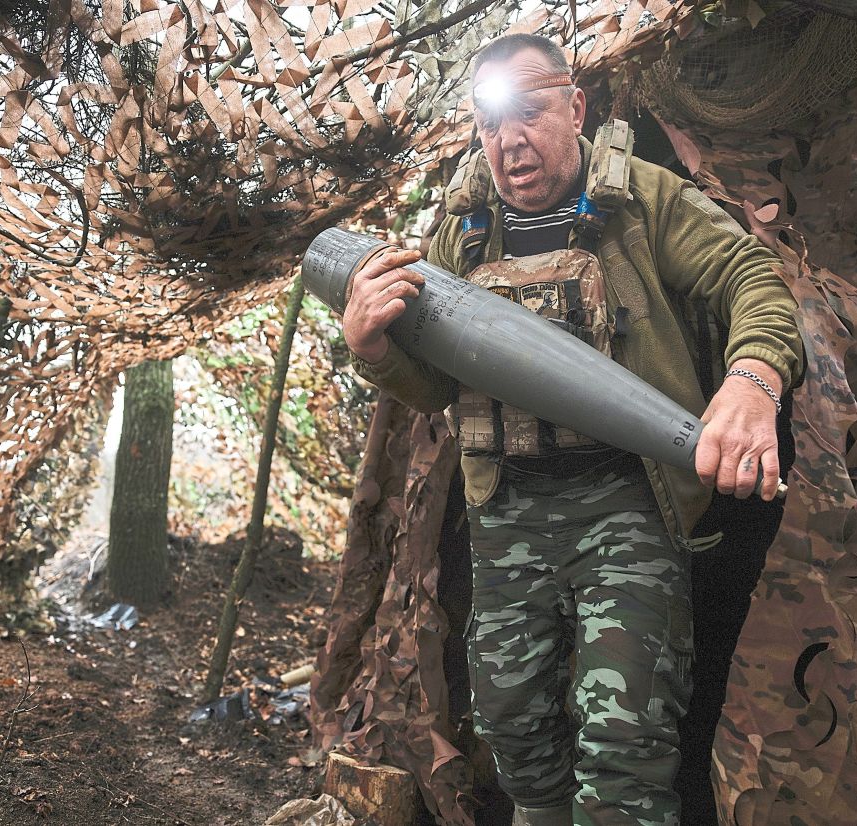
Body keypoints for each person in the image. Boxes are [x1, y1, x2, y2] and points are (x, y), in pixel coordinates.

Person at [342, 33, 803, 826]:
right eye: (491, 125)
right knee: (512, 725)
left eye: (531, 113)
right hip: (509, 512)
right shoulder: (461, 232)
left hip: (628, 507)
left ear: (576, 107)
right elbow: (439, 387)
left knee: (625, 741)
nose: (511, 141)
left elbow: (750, 279)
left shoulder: (642, 200)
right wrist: (373, 351)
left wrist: (753, 379)